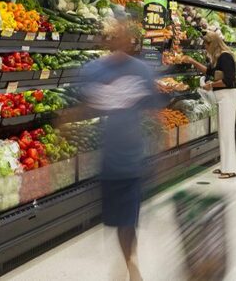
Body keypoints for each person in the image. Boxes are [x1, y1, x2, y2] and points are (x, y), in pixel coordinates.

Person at [60, 20, 163, 281]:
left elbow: (154, 111)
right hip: (109, 160)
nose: (119, 40)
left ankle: (131, 267)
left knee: (127, 220)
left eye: (123, 36)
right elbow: (87, 105)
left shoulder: (141, 70)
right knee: (118, 220)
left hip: (133, 158)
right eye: (114, 36)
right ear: (107, 41)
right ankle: (127, 263)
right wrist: (66, 121)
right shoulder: (93, 70)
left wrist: (159, 150)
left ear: (130, 41)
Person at [185, 31, 236, 179]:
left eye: (206, 45)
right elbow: (209, 71)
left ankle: (230, 169)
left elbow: (228, 80)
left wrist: (211, 85)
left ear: (212, 43)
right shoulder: (218, 58)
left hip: (228, 97)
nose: (205, 48)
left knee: (227, 133)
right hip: (222, 97)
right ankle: (224, 166)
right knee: (223, 132)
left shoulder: (226, 57)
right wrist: (192, 61)